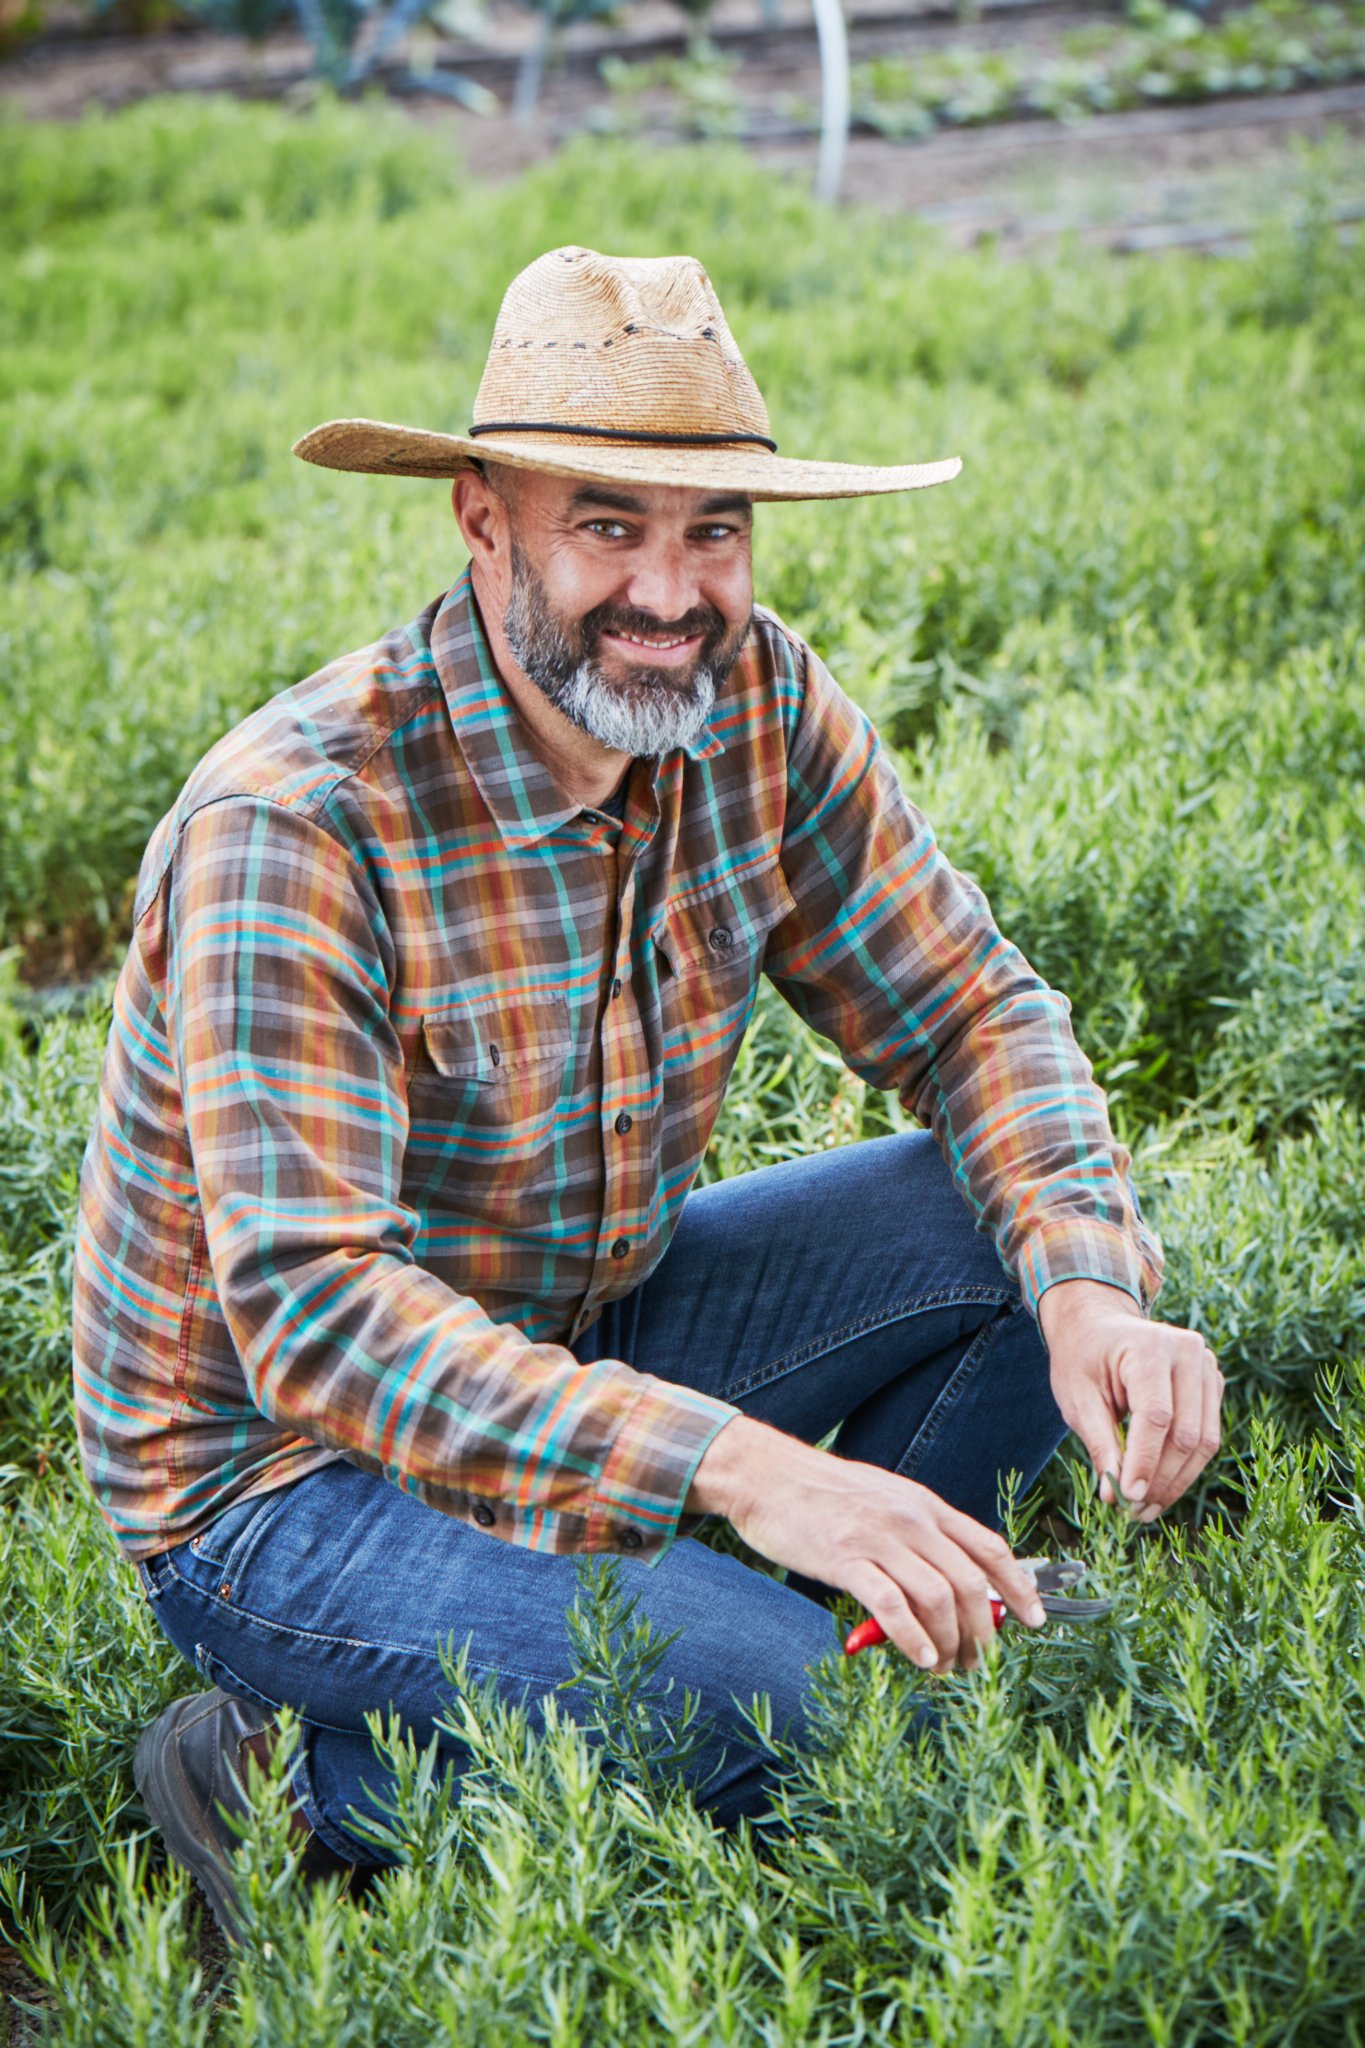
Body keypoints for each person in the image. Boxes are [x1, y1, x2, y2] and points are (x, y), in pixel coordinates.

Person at [73, 246, 1223, 1938]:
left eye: (714, 532)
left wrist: (1091, 1291)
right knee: (828, 1746)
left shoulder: (752, 703)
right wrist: (755, 1470)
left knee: (994, 1232)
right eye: (609, 524)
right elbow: (315, 1318)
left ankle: (789, 1613)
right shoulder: (301, 823)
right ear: (484, 521)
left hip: (577, 1328)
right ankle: (291, 1770)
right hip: (288, 1482)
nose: (672, 593)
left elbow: (972, 1010)